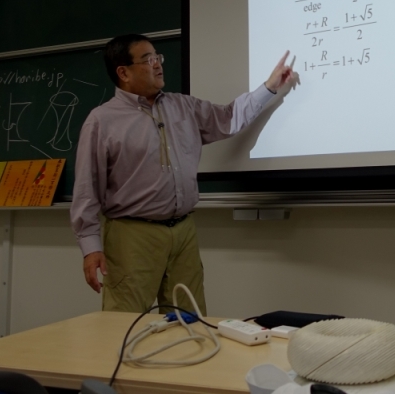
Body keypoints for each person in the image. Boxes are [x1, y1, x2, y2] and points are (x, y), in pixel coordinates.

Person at [70, 34, 294, 314]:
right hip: (132, 235)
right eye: (148, 60)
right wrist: (90, 247)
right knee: (123, 323)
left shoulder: (183, 106)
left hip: (183, 231)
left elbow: (228, 118)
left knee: (189, 320)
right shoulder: (102, 121)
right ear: (123, 73)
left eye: (158, 57)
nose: (158, 64)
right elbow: (87, 189)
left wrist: (269, 87)